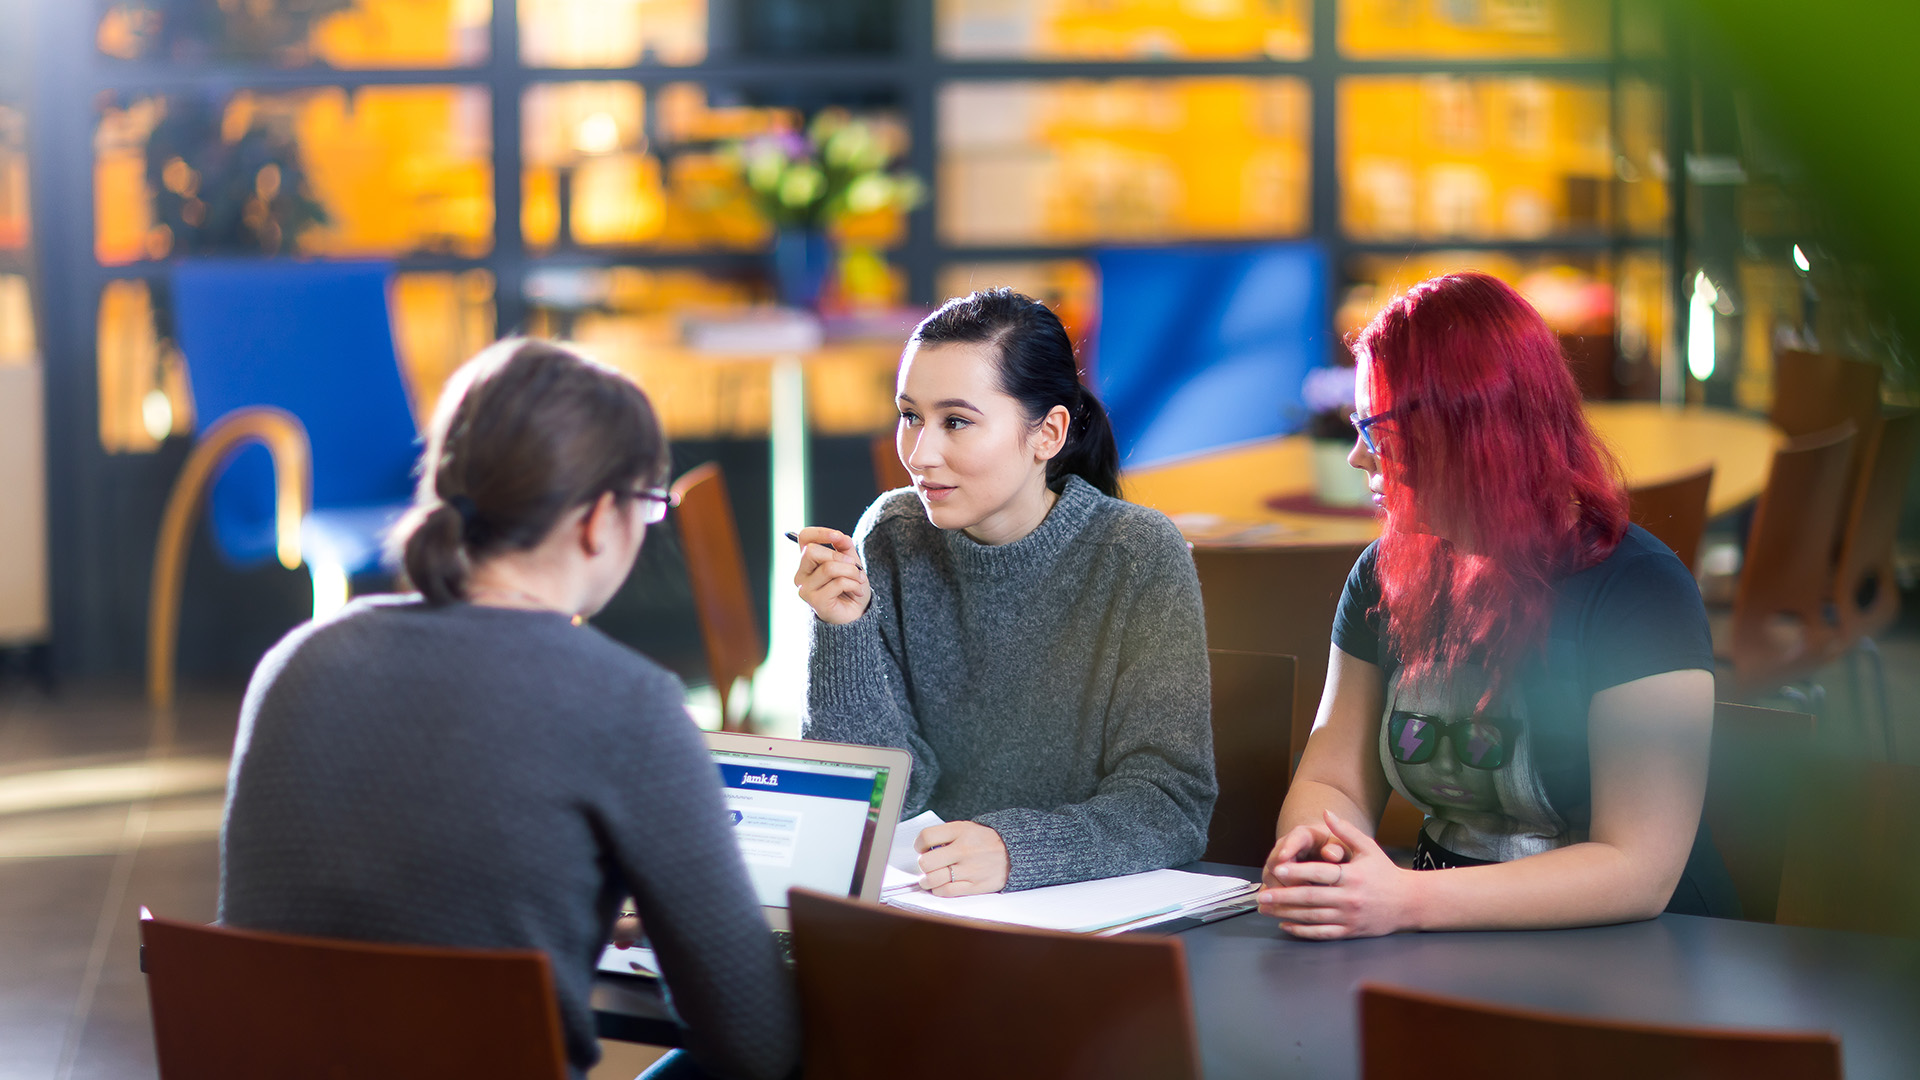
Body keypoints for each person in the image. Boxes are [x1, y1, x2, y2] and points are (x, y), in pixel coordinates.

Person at [219, 340, 798, 1080]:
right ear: (597, 519)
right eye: (648, 507)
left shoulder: (296, 662)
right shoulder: (629, 704)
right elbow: (759, 1042)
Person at [1259, 272, 1737, 939]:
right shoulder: (1384, 573)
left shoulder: (1639, 590)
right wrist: (1320, 857)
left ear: (1472, 435)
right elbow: (1333, 782)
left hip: (1627, 952)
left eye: (1381, 433)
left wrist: (1407, 901)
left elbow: (1639, 867)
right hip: (1435, 930)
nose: (1360, 458)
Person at [793, 288, 1216, 897]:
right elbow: (879, 795)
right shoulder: (892, 535)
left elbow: (1171, 806)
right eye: (910, 415)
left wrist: (1015, 851)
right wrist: (841, 634)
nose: (919, 453)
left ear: (1047, 434)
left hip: (1087, 919)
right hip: (929, 908)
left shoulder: (1139, 555)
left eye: (956, 422)